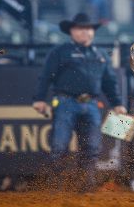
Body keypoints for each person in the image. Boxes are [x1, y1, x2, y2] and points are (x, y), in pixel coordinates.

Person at [32, 13, 127, 191]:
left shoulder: (101, 55)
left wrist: (117, 104)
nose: (85, 32)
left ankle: (85, 186)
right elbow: (45, 77)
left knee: (92, 147)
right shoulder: (60, 52)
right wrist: (39, 99)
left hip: (91, 104)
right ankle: (57, 187)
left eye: (88, 28)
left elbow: (110, 82)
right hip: (65, 102)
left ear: (93, 32)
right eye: (80, 28)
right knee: (59, 146)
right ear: (72, 31)